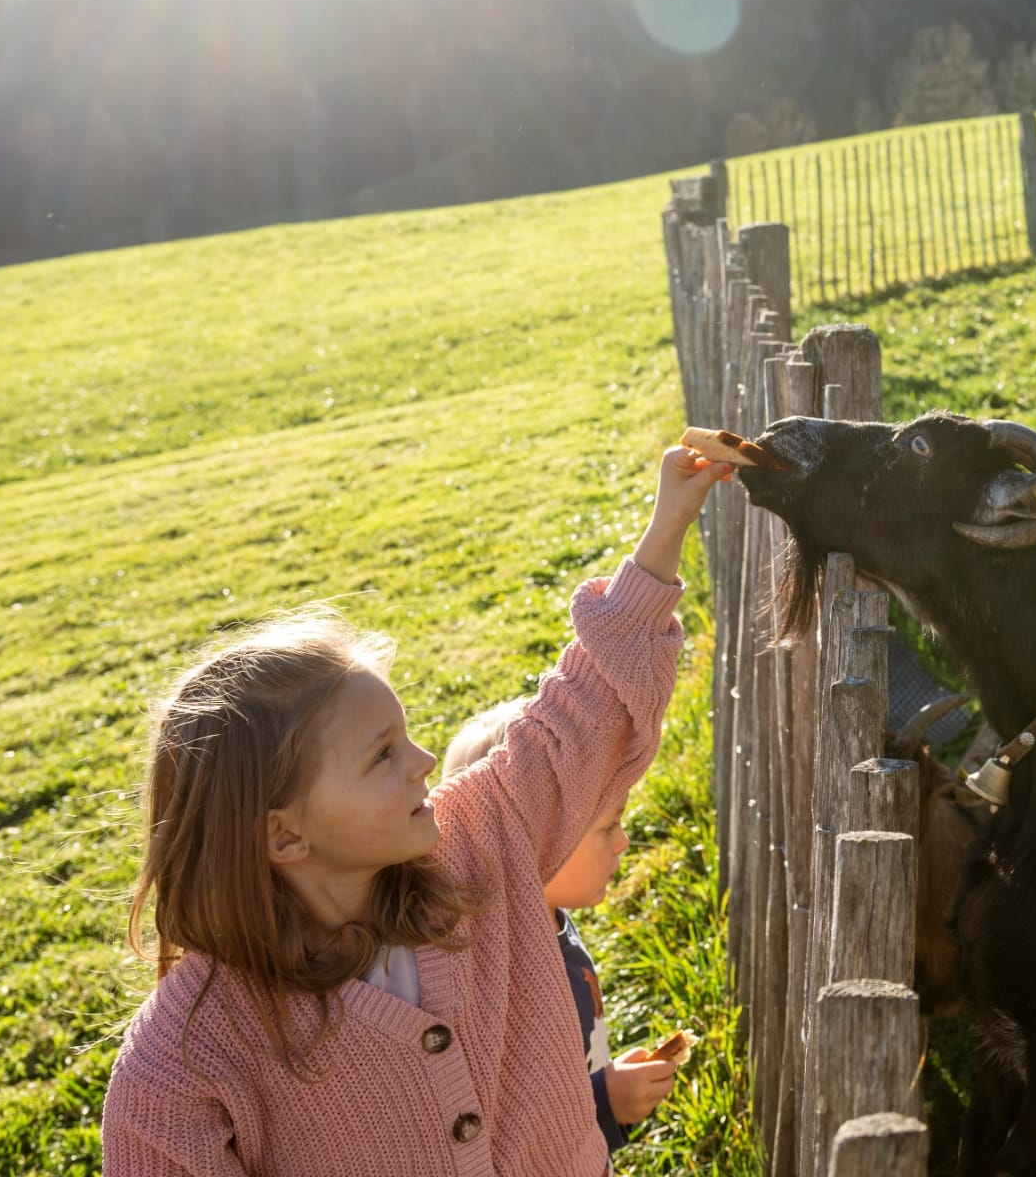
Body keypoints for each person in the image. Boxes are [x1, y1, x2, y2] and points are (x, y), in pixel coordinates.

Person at [101, 446, 730, 1177]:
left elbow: (579, 717)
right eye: (382, 755)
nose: (426, 761)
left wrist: (666, 526)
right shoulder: (183, 1060)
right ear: (284, 834)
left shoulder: (478, 843)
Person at [441, 715, 677, 1158]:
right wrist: (604, 1103)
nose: (624, 842)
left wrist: (604, 1081)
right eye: (608, 827)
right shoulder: (508, 987)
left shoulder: (551, 921)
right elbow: (518, 1130)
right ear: (531, 846)